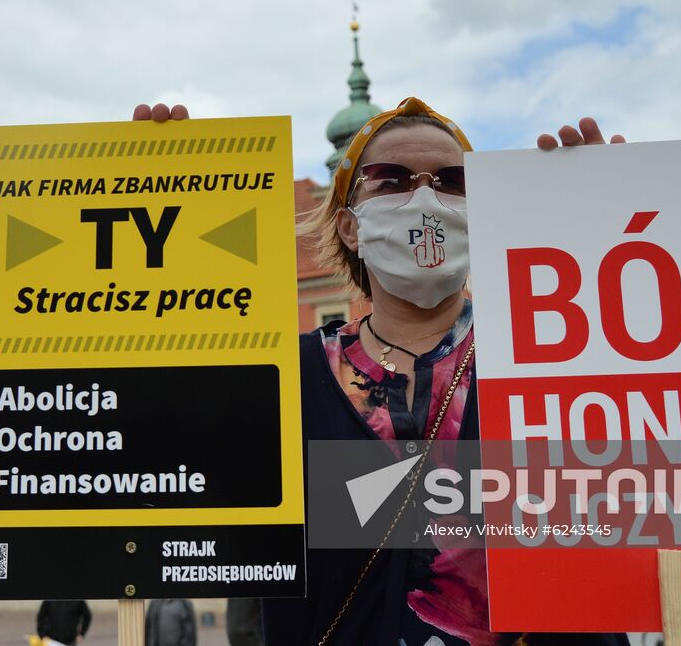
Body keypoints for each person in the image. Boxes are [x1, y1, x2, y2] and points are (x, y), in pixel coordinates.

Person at [136, 99, 624, 645]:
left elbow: (659, 491)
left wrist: (610, 248)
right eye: (388, 181)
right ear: (349, 226)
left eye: (452, 181)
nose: (424, 199)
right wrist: (162, 223)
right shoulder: (280, 379)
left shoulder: (552, 360)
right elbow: (158, 461)